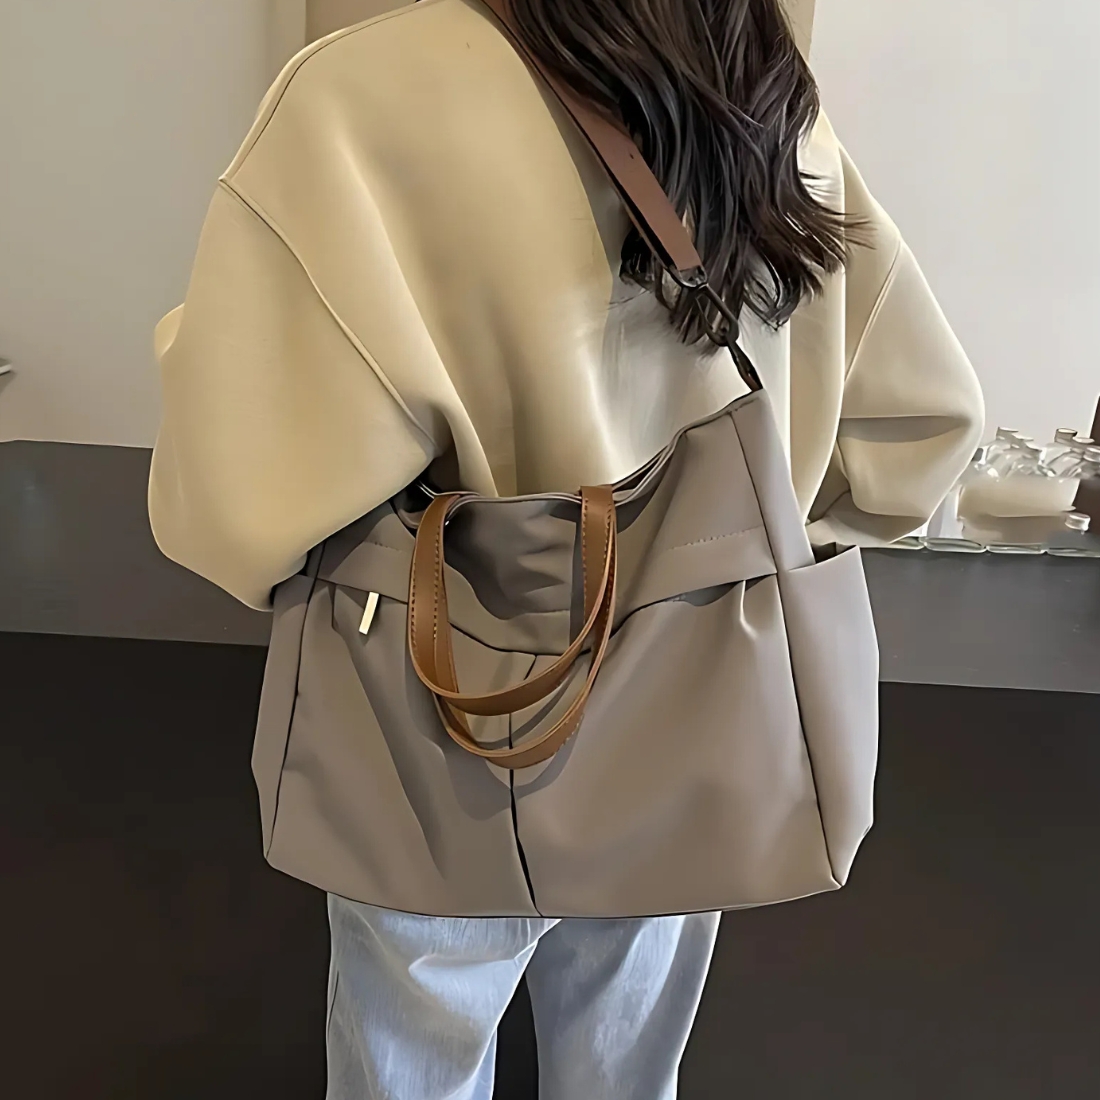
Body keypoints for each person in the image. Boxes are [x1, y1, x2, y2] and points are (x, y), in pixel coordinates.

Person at [148, 1, 984, 1096]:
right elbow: (918, 432)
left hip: (428, 727)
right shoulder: (752, 81)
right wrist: (737, 528)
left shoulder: (354, 95)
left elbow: (234, 491)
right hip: (688, 705)